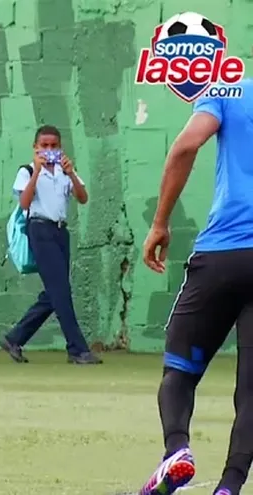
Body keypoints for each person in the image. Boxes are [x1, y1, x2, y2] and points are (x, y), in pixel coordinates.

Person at [136, 79, 253, 495]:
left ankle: (177, 449)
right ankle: (229, 486)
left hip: (223, 253)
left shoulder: (230, 90)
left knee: (180, 371)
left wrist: (160, 222)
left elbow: (187, 145)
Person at [0, 125, 103, 365]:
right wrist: (36, 172)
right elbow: (24, 203)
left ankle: (14, 338)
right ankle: (77, 349)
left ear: (60, 147)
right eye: (43, 146)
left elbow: (83, 198)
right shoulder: (26, 171)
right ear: (35, 148)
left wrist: (72, 173)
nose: (49, 150)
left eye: (53, 146)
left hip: (60, 232)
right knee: (61, 292)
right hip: (40, 230)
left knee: (54, 293)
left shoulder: (65, 171)